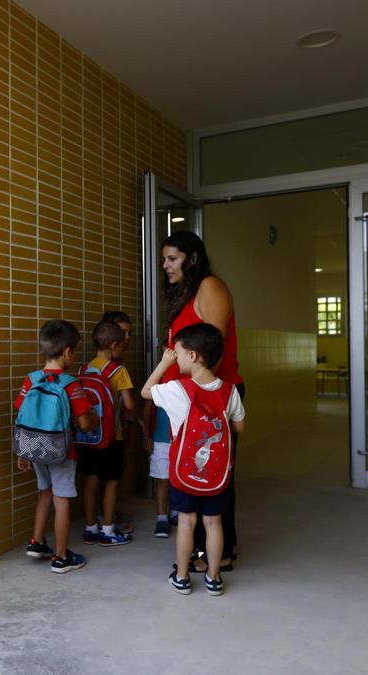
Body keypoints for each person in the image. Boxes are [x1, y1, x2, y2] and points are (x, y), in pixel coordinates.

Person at [154, 231, 244, 571]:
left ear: (192, 258)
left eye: (172, 258)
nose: (165, 265)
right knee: (196, 471)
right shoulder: (187, 294)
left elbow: (212, 349)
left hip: (210, 397)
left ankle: (216, 554)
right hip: (188, 399)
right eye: (164, 259)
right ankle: (213, 550)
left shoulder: (210, 286)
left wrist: (198, 395)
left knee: (216, 473)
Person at [142, 323, 245, 596]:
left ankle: (183, 577)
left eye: (176, 351)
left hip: (185, 472)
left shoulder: (178, 389)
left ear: (193, 355)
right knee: (214, 523)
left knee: (187, 521)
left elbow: (146, 392)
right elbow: (240, 427)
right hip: (216, 473)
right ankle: (213, 578)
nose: (174, 355)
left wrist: (163, 364)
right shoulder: (229, 390)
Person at [16, 319, 97, 573]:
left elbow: (20, 411)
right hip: (62, 451)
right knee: (62, 501)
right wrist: (94, 417)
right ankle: (61, 557)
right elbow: (84, 423)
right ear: (68, 352)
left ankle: (37, 542)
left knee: (45, 493)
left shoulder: (30, 380)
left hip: (34, 447)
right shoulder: (70, 384)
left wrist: (23, 450)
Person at [80, 319, 137, 547]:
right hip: (113, 436)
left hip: (89, 436)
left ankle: (90, 527)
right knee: (112, 481)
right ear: (114, 345)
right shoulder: (119, 371)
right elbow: (129, 404)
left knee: (90, 481)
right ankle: (108, 529)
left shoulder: (85, 368)